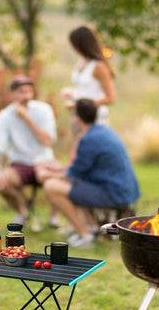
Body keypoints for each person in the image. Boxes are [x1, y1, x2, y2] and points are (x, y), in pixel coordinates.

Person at [41, 98, 140, 248]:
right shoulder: (104, 131)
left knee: (51, 186)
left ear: (77, 118)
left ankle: (85, 235)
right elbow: (79, 168)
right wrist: (55, 169)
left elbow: (74, 173)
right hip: (123, 191)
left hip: (114, 195)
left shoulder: (88, 138)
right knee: (68, 185)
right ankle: (91, 228)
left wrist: (48, 174)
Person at [0, 75, 57, 225]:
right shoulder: (4, 116)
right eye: (21, 92)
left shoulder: (44, 110)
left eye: (28, 92)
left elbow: (48, 141)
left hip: (44, 160)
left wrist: (26, 118)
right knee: (3, 182)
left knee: (58, 181)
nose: (25, 96)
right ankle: (22, 212)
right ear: (12, 94)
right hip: (20, 163)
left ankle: (54, 217)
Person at [62, 25, 116, 127]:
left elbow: (110, 98)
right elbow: (87, 89)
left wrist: (79, 106)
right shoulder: (81, 62)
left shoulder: (99, 66)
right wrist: (71, 93)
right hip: (78, 118)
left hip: (95, 119)